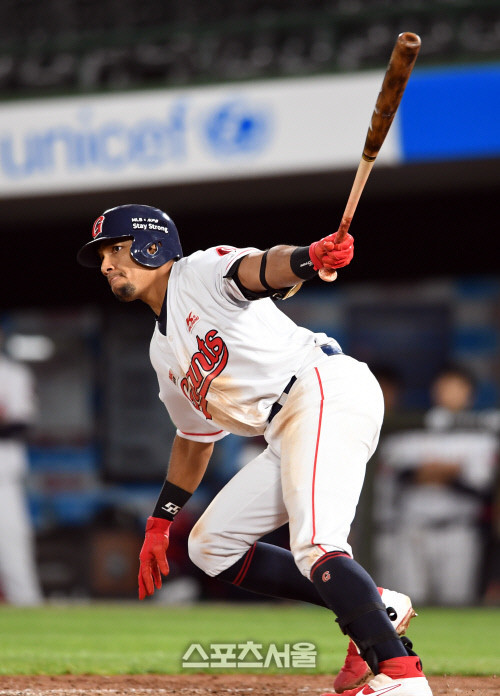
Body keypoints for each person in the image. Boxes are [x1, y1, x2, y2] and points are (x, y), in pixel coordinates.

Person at [78, 204, 432, 696]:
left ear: (152, 245)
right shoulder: (163, 351)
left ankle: (401, 675)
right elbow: (194, 439)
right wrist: (160, 522)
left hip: (323, 388)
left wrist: (309, 258)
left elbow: (261, 268)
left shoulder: (197, 272)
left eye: (116, 249)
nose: (106, 264)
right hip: (287, 423)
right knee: (210, 546)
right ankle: (377, 605)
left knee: (316, 544)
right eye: (102, 256)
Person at [377, 364, 498, 605]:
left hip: (458, 530)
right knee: (407, 602)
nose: (449, 392)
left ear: (470, 393)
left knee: (457, 602)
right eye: (444, 386)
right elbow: (396, 475)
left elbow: (481, 488)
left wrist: (434, 474)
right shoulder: (412, 428)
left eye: (457, 387)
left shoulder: (481, 435)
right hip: (411, 530)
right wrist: (447, 472)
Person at [0, 328, 43, 605]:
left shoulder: (12, 374)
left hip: (3, 476)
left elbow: (20, 425)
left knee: (14, 548)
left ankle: (27, 606)